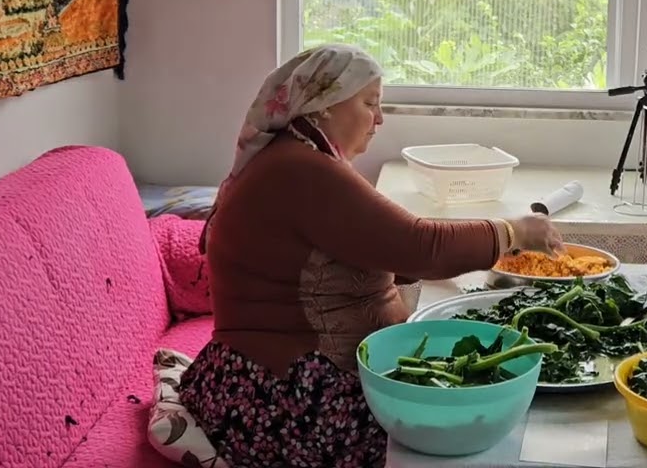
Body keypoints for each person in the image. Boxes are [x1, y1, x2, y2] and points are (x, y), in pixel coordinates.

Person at [178, 43, 563, 468]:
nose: (379, 119)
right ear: (324, 106)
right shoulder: (301, 170)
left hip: (274, 377)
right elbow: (418, 247)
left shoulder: (297, 158)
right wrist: (513, 232)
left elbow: (370, 246)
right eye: (371, 103)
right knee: (484, 427)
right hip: (284, 395)